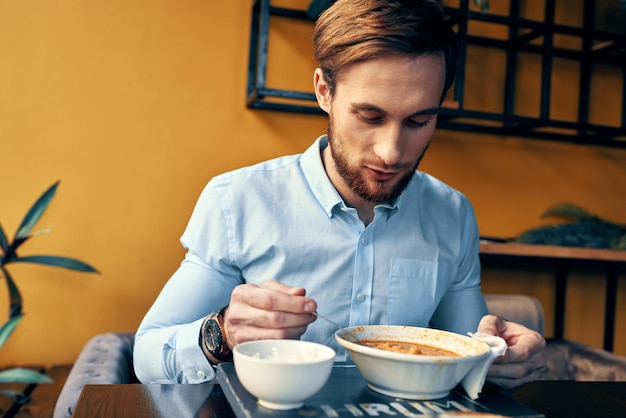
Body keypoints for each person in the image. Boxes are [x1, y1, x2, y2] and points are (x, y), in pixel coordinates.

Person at [134, 0, 546, 388]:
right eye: (370, 116)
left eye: (418, 120)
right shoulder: (237, 201)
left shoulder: (451, 214)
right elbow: (148, 354)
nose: (391, 152)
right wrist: (221, 332)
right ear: (324, 92)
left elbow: (469, 352)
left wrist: (500, 357)